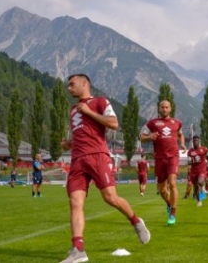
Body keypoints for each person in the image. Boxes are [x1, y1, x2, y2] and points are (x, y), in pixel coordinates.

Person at [60, 73, 150, 263]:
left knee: (110, 198)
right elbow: (83, 132)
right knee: (75, 202)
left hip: (98, 156)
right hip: (77, 159)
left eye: (72, 84)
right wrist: (70, 143)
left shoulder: (99, 102)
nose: (69, 88)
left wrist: (90, 112)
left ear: (84, 84)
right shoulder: (73, 110)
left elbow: (114, 124)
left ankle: (135, 221)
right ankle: (78, 249)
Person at [140, 100, 186, 225]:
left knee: (172, 183)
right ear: (159, 109)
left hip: (173, 157)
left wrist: (182, 144)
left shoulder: (177, 123)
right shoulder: (152, 123)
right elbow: (141, 137)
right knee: (162, 189)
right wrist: (150, 137)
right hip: (159, 158)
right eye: (162, 107)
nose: (164, 109)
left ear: (170, 109)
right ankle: (169, 204)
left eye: (166, 107)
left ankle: (173, 214)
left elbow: (181, 134)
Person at [186, 135, 208, 206]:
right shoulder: (190, 151)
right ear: (192, 142)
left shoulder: (204, 149)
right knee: (195, 188)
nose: (195, 141)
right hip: (194, 171)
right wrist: (192, 161)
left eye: (197, 140)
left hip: (202, 169)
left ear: (199, 141)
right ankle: (199, 201)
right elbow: (188, 162)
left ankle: (203, 187)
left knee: (200, 182)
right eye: (194, 140)